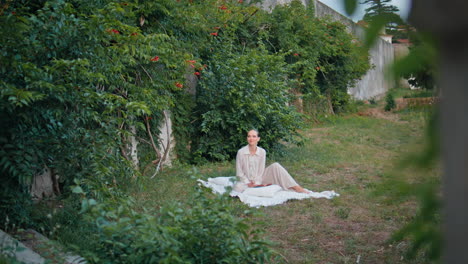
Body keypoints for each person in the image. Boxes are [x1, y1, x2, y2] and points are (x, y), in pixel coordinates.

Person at [234, 129, 310, 193]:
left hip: (259, 179)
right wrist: (248, 182)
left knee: (276, 166)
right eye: (249, 136)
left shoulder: (262, 152)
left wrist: (256, 182)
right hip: (245, 181)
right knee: (238, 188)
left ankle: (297, 187)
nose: (251, 138)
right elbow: (239, 172)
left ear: (258, 138)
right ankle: (256, 188)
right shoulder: (241, 152)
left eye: (254, 136)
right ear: (247, 138)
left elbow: (261, 171)